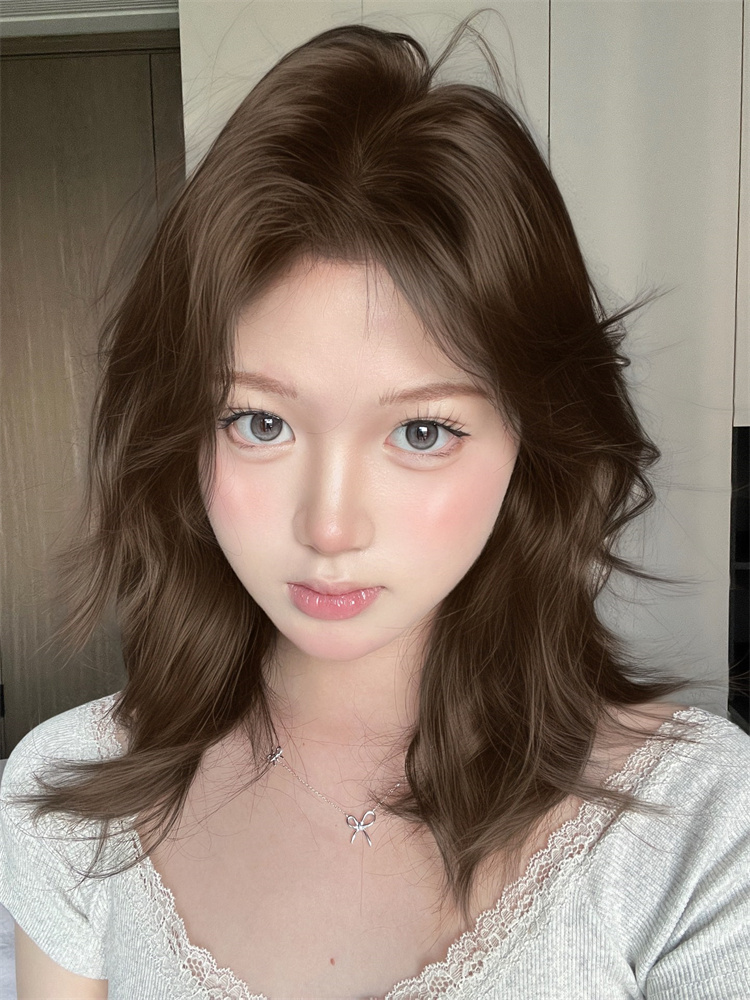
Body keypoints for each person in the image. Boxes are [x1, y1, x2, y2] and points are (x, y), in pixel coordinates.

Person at [1, 12, 749, 1000]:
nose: (329, 527)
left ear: (535, 445)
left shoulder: (698, 823)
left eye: (422, 432)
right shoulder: (67, 795)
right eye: (259, 422)